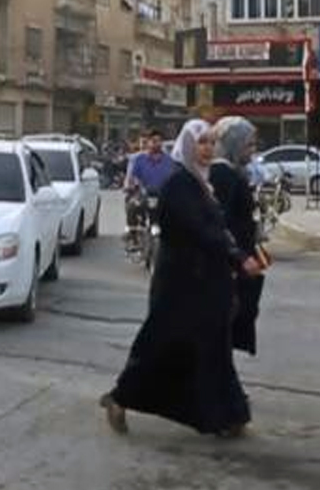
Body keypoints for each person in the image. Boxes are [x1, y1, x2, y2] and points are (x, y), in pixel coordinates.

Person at [101, 120, 262, 437]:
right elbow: (203, 230)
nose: (206, 149)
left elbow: (221, 227)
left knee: (214, 348)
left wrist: (238, 256)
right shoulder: (179, 185)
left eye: (210, 143)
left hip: (207, 283)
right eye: (200, 143)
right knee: (161, 346)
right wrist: (239, 257)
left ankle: (229, 415)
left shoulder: (204, 183)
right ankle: (120, 398)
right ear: (188, 146)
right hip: (179, 285)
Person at [209, 116, 267, 356]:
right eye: (248, 145)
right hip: (230, 265)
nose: (252, 152)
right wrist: (239, 258)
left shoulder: (234, 173)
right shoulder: (225, 176)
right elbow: (223, 224)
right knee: (222, 329)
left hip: (237, 261)